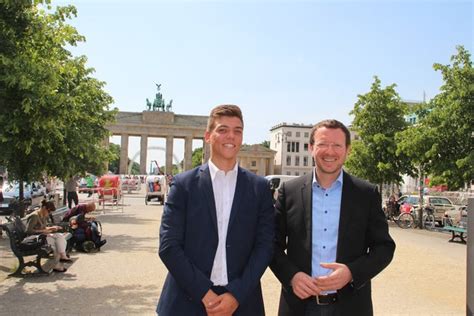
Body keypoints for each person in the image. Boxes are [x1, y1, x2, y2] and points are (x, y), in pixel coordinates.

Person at [157, 104, 274, 315]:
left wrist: (236, 294)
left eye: (237, 131)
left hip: (242, 303)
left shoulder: (260, 188)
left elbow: (265, 247)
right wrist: (204, 292)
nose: (231, 136)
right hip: (187, 301)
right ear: (208, 136)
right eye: (223, 129)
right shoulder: (183, 185)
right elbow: (168, 246)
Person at [270, 119, 395, 316]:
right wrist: (291, 276)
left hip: (351, 306)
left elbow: (384, 247)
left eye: (337, 145)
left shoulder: (366, 193)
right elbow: (271, 244)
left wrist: (352, 273)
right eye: (322, 144)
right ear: (311, 148)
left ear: (348, 150)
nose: (330, 151)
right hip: (298, 306)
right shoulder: (289, 191)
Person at [25, 200, 72, 272]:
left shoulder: (43, 215)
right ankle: (62, 257)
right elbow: (28, 231)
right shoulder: (34, 216)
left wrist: (51, 228)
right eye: (49, 211)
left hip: (44, 237)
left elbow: (43, 228)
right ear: (44, 208)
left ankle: (61, 259)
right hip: (37, 239)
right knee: (58, 241)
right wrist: (43, 231)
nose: (49, 213)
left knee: (59, 238)